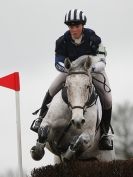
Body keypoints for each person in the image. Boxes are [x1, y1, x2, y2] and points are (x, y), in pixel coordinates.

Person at [31, 9, 113, 150]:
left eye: (77, 26)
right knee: (52, 88)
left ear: (82, 26)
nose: (74, 29)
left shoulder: (93, 38)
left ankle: (105, 134)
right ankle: (41, 118)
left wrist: (91, 69)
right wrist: (69, 70)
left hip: (93, 69)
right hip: (71, 70)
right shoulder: (62, 41)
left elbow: (102, 60)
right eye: (71, 27)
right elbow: (58, 62)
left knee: (107, 98)